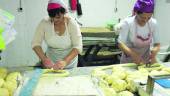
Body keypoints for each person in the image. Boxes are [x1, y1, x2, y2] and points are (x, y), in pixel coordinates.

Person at [31, 0, 82, 69]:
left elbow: (78, 47)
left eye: (58, 17)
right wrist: (44, 59)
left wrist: (65, 61)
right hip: (50, 63)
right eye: (52, 17)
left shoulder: (71, 24)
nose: (54, 20)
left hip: (69, 63)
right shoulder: (44, 23)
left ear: (64, 13)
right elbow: (35, 43)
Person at [117, 0, 160, 64]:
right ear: (136, 13)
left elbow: (157, 44)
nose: (145, 20)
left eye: (149, 18)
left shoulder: (153, 23)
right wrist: (133, 54)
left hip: (145, 60)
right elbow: (120, 44)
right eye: (143, 17)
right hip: (129, 61)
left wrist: (155, 51)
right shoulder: (128, 23)